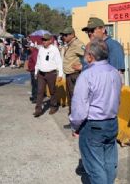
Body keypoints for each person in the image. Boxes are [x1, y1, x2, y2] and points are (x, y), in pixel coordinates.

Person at [69, 39, 122, 184]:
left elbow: (79, 107)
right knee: (109, 162)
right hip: (112, 122)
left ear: (90, 56)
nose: (84, 56)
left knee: (95, 167)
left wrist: (75, 126)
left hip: (93, 125)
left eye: (85, 53)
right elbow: (118, 99)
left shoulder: (87, 75)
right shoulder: (115, 73)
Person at [33, 33, 63, 117]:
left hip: (51, 73)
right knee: (40, 91)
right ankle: (38, 109)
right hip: (41, 74)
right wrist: (36, 71)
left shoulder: (54, 49)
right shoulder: (41, 49)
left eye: (46, 40)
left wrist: (60, 74)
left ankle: (54, 106)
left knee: (52, 91)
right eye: (43, 40)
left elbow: (59, 62)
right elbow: (38, 61)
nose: (44, 41)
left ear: (50, 40)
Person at [60, 27, 85, 115]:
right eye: (63, 35)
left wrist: (82, 66)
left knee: (75, 97)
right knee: (70, 96)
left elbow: (89, 56)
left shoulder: (78, 44)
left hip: (75, 75)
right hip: (69, 75)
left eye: (66, 35)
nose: (64, 37)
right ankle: (72, 116)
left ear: (72, 35)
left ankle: (76, 117)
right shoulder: (69, 44)